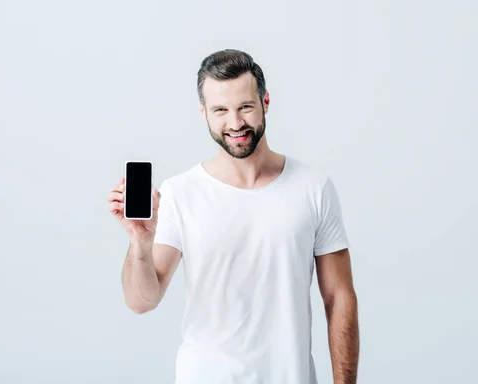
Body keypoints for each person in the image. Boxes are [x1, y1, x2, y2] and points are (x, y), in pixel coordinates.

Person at [108, 49, 359, 384]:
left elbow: (340, 297)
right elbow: (141, 301)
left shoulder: (313, 187)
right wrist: (141, 242)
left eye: (245, 107)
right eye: (220, 110)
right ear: (204, 114)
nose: (235, 123)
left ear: (265, 101)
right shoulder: (180, 193)